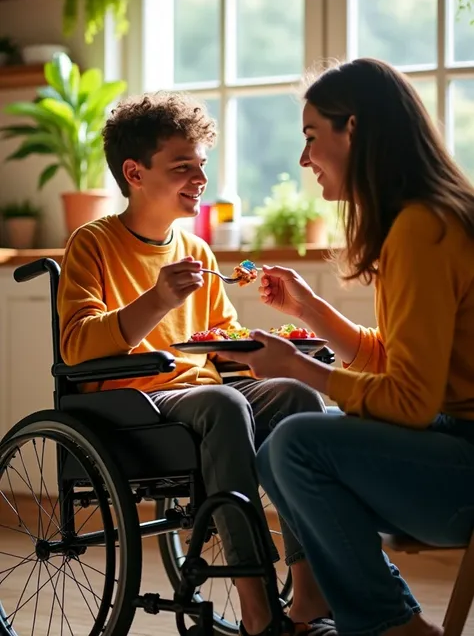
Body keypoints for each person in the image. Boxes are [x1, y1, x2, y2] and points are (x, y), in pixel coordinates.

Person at [56, 91, 332, 636]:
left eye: (201, 165)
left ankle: (308, 602)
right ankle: (257, 610)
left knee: (299, 397)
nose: (199, 178)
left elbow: (218, 340)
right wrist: (157, 300)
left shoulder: (199, 252)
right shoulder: (92, 244)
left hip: (202, 394)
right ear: (134, 173)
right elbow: (77, 347)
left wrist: (278, 349)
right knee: (223, 402)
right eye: (183, 167)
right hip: (130, 406)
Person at [221, 57, 474, 636]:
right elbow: (408, 364)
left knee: (295, 443)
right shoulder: (430, 217)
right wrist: (310, 311)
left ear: (353, 129)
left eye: (312, 137)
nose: (304, 159)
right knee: (278, 451)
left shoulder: (421, 229)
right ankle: (315, 604)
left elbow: (410, 401)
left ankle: (392, 625)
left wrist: (298, 367)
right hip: (454, 441)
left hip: (466, 468)